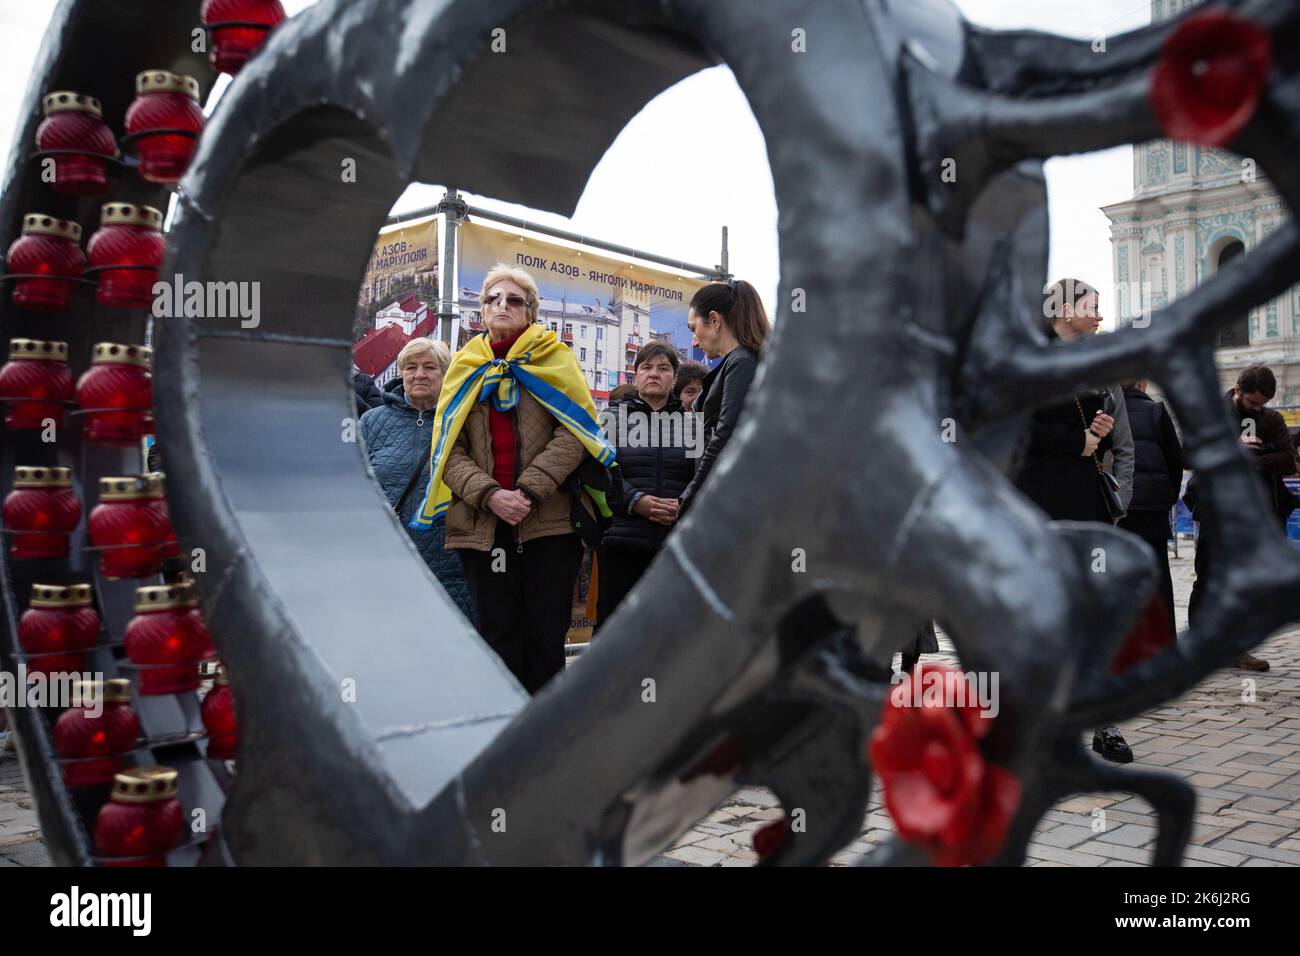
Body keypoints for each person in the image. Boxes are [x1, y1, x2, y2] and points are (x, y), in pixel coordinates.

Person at [410, 264, 616, 693]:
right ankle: (505, 733)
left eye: (514, 300)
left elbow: (576, 432)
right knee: (497, 633)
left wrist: (526, 491)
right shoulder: (465, 366)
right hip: (482, 524)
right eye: (492, 299)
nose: (502, 305)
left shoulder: (555, 359)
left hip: (549, 522)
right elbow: (447, 447)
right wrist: (490, 495)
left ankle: (543, 737)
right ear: (481, 311)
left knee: (546, 634)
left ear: (531, 312)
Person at [1014, 278, 1134, 764]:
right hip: (1037, 502)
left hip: (1083, 502)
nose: (1100, 316)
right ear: (1063, 309)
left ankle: (1101, 723)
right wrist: (1076, 442)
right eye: (1093, 306)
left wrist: (1097, 436)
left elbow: (1094, 432)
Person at [1187, 365, 1297, 671]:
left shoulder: (1272, 419)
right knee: (1209, 577)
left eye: (1262, 404)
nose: (1258, 409)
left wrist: (1254, 460)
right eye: (1252, 403)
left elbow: (1288, 459)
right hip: (1216, 509)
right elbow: (1188, 453)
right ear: (1237, 390)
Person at [360, 338, 475, 622]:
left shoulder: (464, 419)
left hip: (450, 563)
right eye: (410, 367)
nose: (419, 374)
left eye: (429, 367)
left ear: (446, 373)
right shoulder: (372, 422)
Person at [597, 342, 695, 628]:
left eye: (663, 368)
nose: (654, 374)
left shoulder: (693, 425)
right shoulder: (610, 420)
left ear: (674, 379)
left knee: (669, 634)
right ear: (635, 375)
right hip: (621, 541)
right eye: (646, 368)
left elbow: (704, 477)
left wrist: (684, 504)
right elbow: (597, 473)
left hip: (674, 546)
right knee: (616, 633)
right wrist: (634, 500)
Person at [678, 278, 770, 516]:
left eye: (693, 328)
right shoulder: (739, 362)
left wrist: (692, 493)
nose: (694, 341)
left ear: (715, 321)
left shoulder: (741, 363)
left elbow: (725, 434)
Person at [1117, 380, 1184, 643]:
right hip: (1153, 511)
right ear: (1142, 383)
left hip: (1118, 510)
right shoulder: (1156, 411)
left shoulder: (1105, 410)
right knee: (1159, 580)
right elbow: (1175, 459)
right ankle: (1165, 646)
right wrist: (1166, 497)